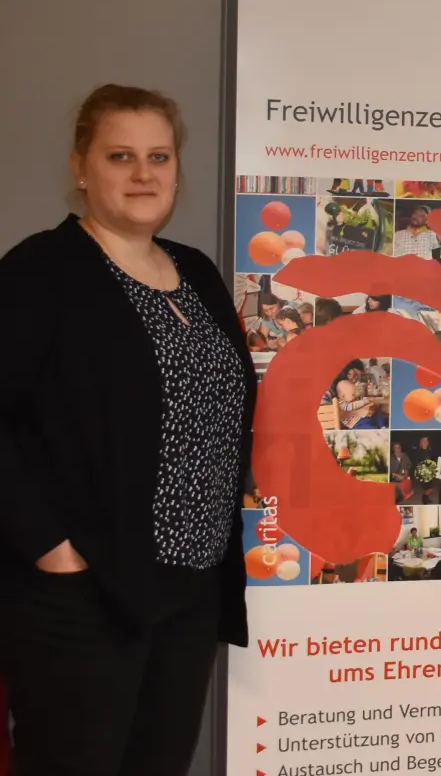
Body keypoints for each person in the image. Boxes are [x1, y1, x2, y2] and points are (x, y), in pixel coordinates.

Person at [0, 84, 256, 774]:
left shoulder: (196, 272)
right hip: (85, 595)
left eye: (158, 156)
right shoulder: (41, 272)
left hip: (189, 592)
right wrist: (51, 548)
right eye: (121, 155)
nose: (144, 174)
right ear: (81, 167)